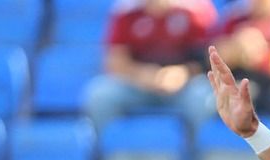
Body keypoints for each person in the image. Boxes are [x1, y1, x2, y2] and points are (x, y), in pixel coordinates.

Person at [81, 0, 218, 131]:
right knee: (100, 94)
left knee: (203, 96)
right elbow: (114, 61)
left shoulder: (196, 9)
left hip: (185, 85)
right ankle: (105, 152)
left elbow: (209, 57)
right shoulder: (125, 10)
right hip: (137, 84)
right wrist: (143, 75)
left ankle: (198, 151)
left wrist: (183, 73)